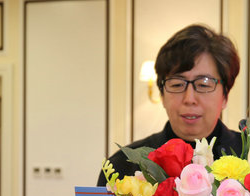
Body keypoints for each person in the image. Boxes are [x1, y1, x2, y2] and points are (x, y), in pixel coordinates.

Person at [96, 24, 242, 185]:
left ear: (225, 96)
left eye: (203, 84)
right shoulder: (122, 167)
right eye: (177, 84)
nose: (189, 98)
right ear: (162, 94)